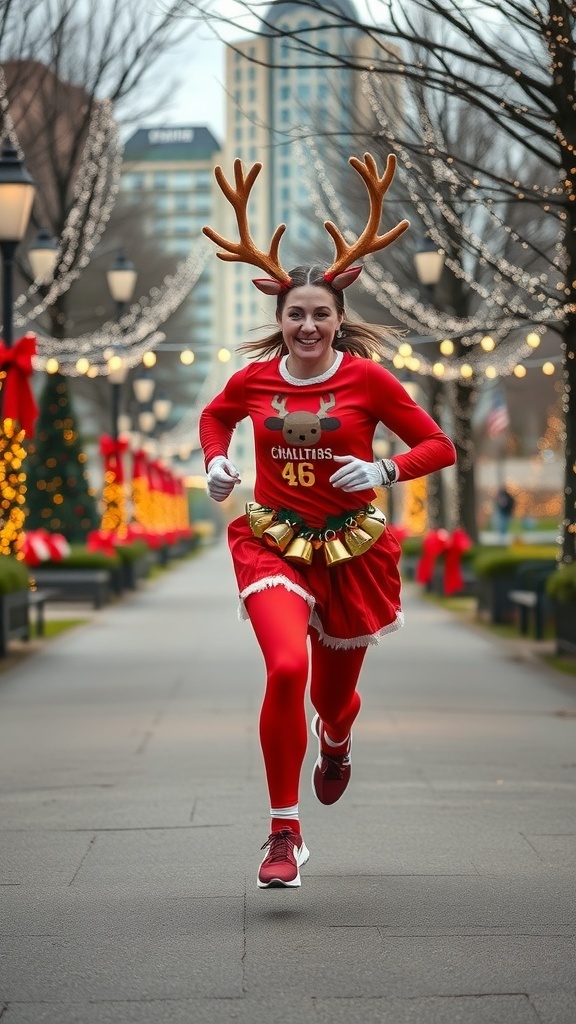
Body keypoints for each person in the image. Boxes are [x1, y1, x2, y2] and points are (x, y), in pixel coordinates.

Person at [199, 153, 457, 889]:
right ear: (277, 318)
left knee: (331, 697)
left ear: (339, 319)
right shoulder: (252, 379)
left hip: (352, 548)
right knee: (285, 667)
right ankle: (285, 835)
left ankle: (336, 740)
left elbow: (440, 444)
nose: (307, 325)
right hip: (272, 540)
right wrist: (217, 464)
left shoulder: (368, 378)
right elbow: (215, 417)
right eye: (294, 314)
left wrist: (383, 470)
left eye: (320, 314)